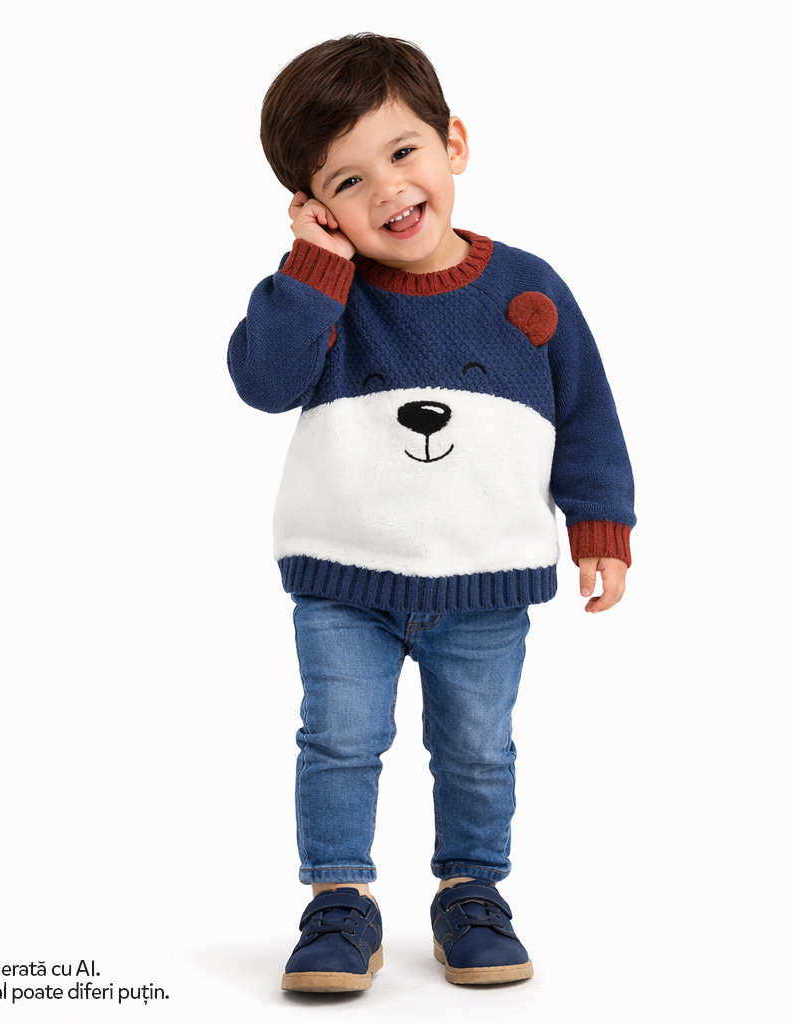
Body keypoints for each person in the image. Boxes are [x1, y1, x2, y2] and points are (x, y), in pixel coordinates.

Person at [228, 32, 635, 992]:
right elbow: (264, 382)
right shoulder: (317, 295)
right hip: (345, 580)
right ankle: (339, 899)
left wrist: (600, 526)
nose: (388, 191)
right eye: (348, 181)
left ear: (454, 142)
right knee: (338, 743)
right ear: (314, 208)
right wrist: (314, 270)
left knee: (478, 751)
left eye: (403, 152)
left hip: (484, 580)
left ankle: (471, 893)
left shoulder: (530, 288)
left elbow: (586, 412)